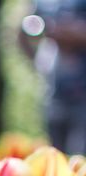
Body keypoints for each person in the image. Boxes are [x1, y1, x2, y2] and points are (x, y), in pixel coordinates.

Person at [21, 0, 86, 154]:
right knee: (55, 155)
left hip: (82, 96)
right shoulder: (45, 3)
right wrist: (38, 63)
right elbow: (24, 30)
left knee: (80, 155)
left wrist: (73, 34)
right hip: (53, 92)